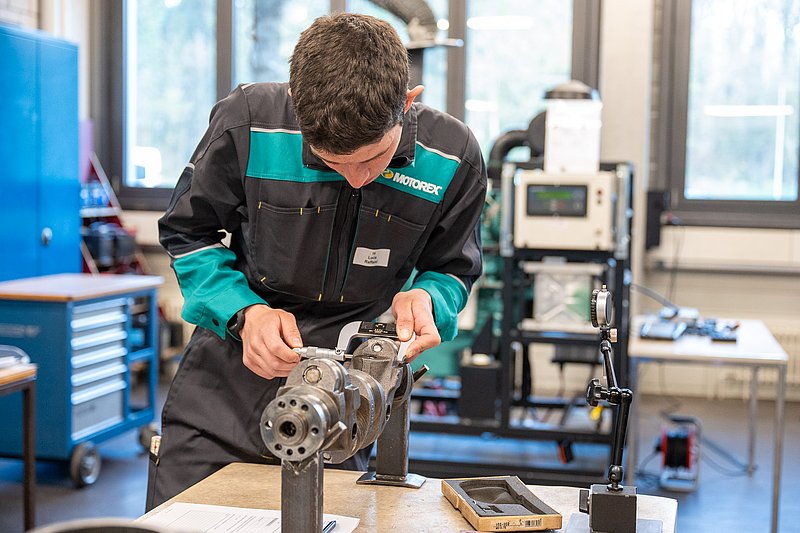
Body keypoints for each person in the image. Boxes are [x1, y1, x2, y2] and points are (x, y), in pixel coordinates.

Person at [147, 12, 487, 509]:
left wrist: (429, 297)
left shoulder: (454, 157)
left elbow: (455, 267)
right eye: (332, 162)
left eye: (372, 159)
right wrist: (243, 313)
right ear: (295, 105)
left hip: (347, 393)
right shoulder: (248, 123)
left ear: (407, 103)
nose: (356, 179)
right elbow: (187, 232)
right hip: (228, 376)